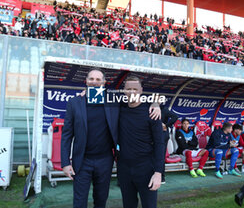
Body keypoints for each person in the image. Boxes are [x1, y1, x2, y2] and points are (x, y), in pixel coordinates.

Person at [61, 69, 160, 208]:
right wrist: (65, 162)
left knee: (101, 200)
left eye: (98, 79)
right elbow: (66, 134)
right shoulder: (75, 102)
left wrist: (155, 104)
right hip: (82, 161)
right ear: (86, 81)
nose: (94, 82)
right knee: (79, 200)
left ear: (104, 82)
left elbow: (135, 97)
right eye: (91, 79)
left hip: (105, 160)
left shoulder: (113, 100)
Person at [117, 75, 164, 208]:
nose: (132, 92)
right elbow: (100, 99)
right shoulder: (119, 108)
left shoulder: (152, 112)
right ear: (124, 91)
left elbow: (160, 144)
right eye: (129, 89)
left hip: (146, 169)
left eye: (135, 89)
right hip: (124, 169)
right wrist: (86, 93)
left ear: (141, 90)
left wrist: (158, 172)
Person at [160, 103, 178, 183]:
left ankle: (162, 177)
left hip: (163, 135)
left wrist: (166, 125)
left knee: (160, 157)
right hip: (153, 136)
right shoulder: (150, 108)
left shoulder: (164, 109)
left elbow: (175, 117)